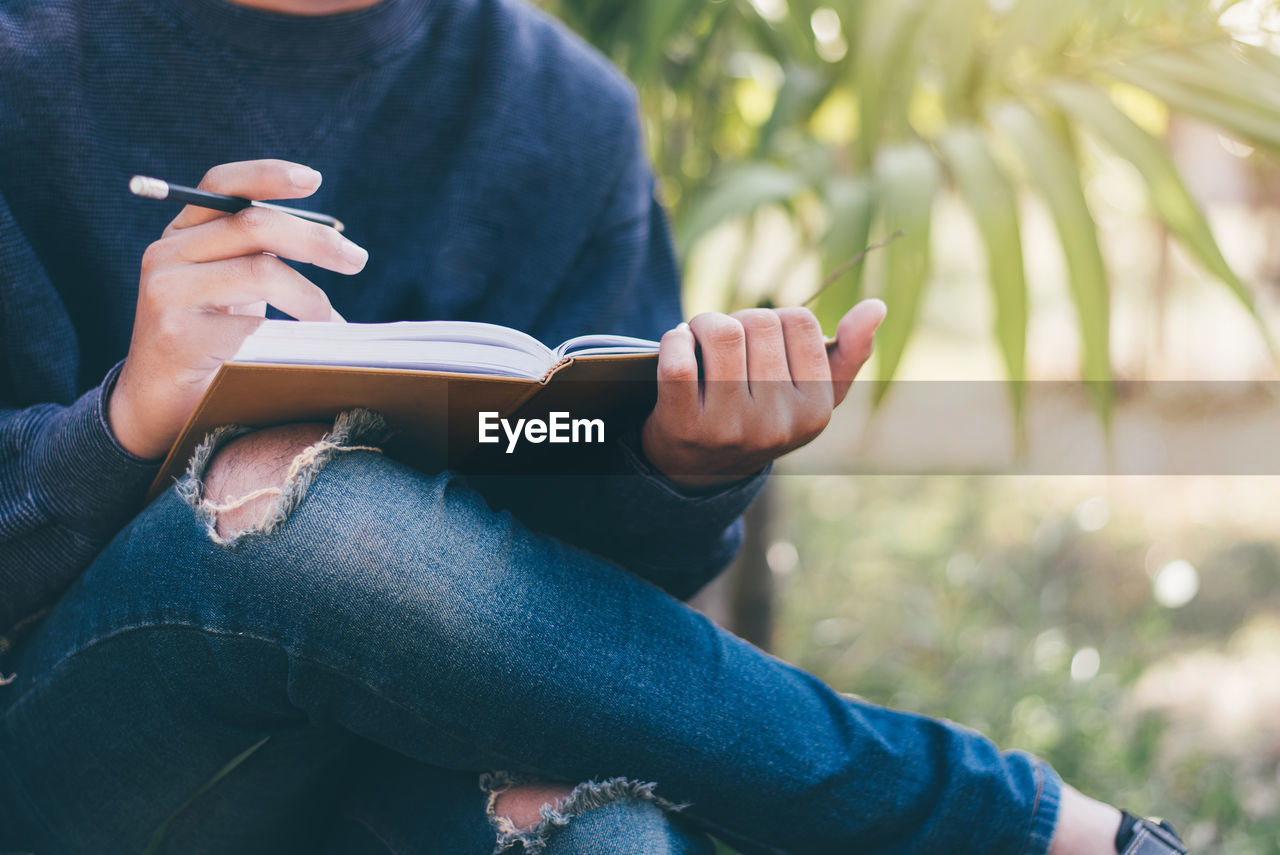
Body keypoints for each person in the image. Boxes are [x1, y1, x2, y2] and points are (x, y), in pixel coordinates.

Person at [0, 0, 1186, 853]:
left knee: (601, 831)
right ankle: (995, 822)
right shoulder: (28, 58)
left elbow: (590, 610)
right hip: (78, 749)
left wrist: (679, 465)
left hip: (398, 753)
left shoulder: (562, 109)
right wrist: (123, 421)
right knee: (290, 495)